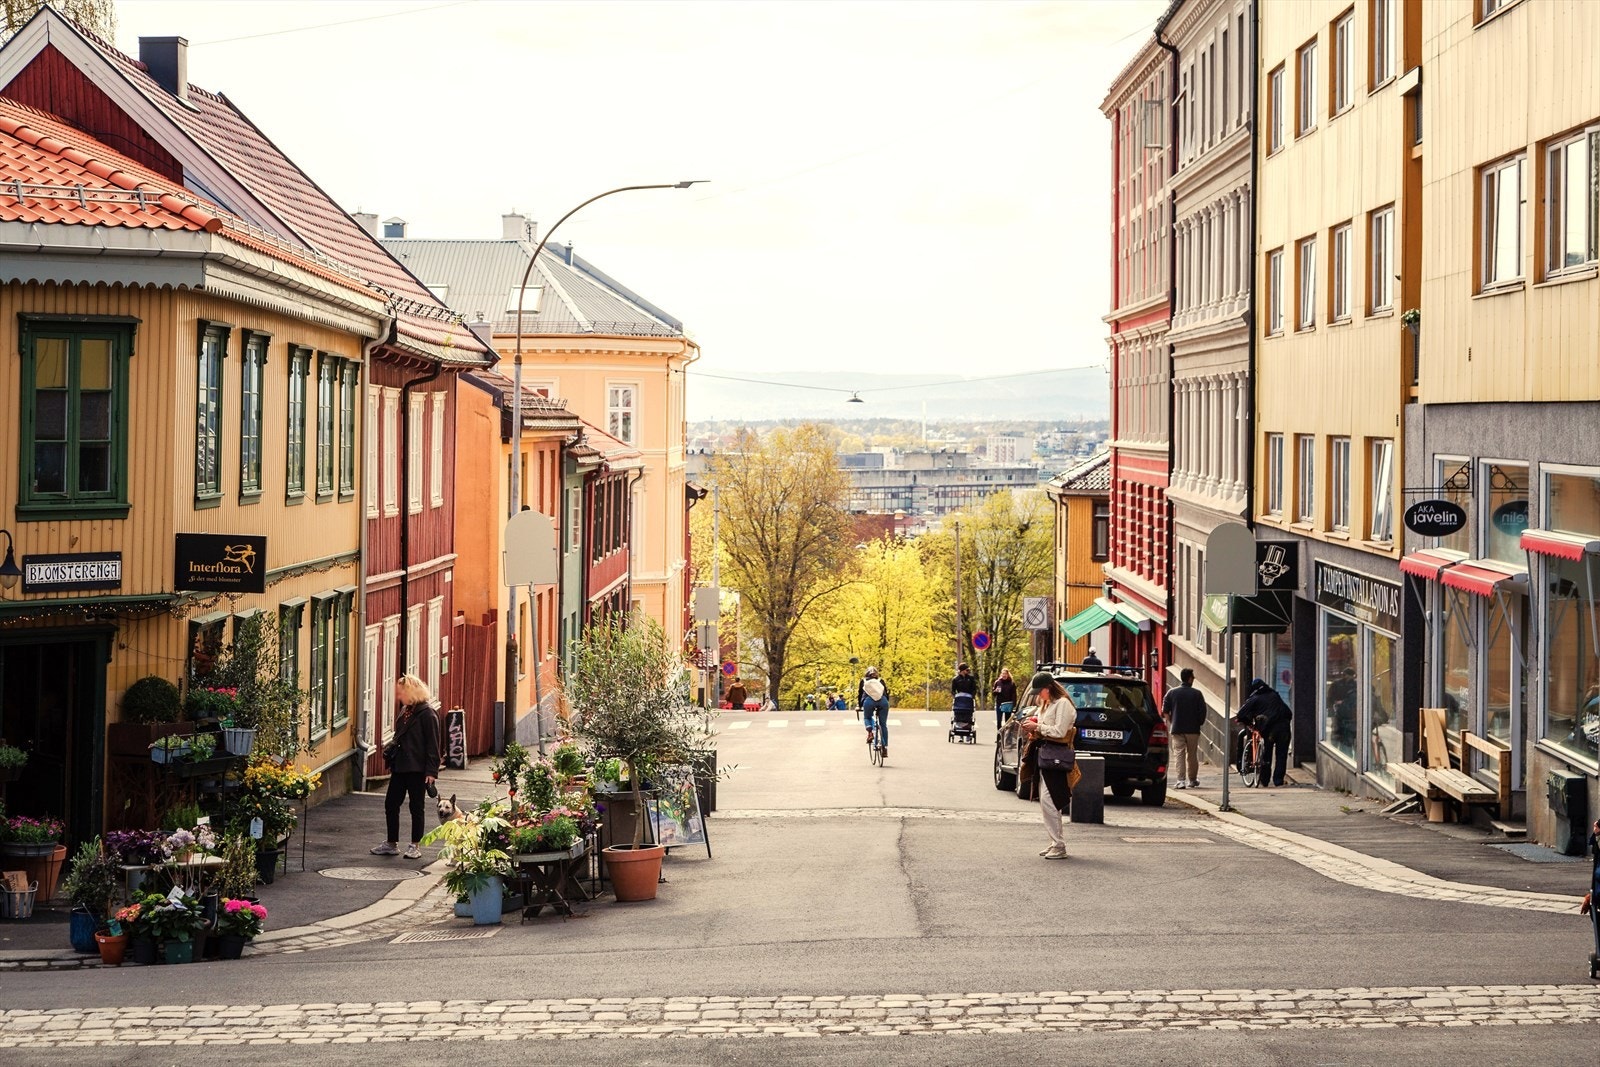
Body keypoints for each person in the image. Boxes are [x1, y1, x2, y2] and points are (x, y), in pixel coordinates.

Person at [372, 674, 441, 860]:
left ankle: (415, 845)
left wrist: (431, 771)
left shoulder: (428, 714)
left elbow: (433, 745)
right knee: (391, 803)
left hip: (417, 769)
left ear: (411, 692)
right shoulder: (405, 710)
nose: (398, 696)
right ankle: (391, 843)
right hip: (400, 766)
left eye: (401, 693)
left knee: (416, 807)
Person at [1018, 671, 1076, 860]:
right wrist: (1033, 725)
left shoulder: (1063, 704)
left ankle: (1059, 845)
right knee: (1047, 800)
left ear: (1049, 688)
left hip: (1056, 755)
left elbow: (1059, 731)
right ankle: (1055, 842)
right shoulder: (1046, 704)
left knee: (1049, 799)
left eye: (1039, 691)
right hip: (1046, 754)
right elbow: (1045, 727)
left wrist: (1038, 728)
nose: (1038, 695)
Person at [1237, 677, 1293, 787]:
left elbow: (1240, 714)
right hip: (1284, 727)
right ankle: (1278, 780)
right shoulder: (1275, 695)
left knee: (1266, 754)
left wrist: (1249, 723)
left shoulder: (1255, 698)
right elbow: (1288, 712)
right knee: (1282, 755)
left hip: (1270, 729)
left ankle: (1265, 780)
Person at [1162, 668, 1208, 789]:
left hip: (1177, 728)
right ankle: (1192, 779)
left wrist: (1172, 721)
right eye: (1193, 677)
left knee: (1179, 754)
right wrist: (1199, 722)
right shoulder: (1197, 694)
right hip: (1193, 729)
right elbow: (1202, 711)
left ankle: (1180, 780)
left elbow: (1165, 710)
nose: (1194, 679)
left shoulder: (1171, 693)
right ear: (1189, 678)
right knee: (1192, 755)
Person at [858, 666, 890, 756]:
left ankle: (870, 731)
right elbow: (886, 693)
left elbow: (860, 694)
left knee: (867, 717)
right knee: (883, 724)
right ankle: (884, 747)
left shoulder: (863, 681)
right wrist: (886, 703)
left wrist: (859, 706)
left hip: (868, 701)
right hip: (883, 701)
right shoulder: (881, 680)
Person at [991, 667, 1018, 732]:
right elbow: (994, 694)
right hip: (999, 703)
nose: (1004, 675)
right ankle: (999, 733)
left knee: (1007, 720)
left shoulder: (1011, 683)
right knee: (999, 720)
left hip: (1008, 703)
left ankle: (1006, 734)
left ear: (1008, 674)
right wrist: (996, 691)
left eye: (1005, 674)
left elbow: (1014, 694)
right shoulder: (998, 682)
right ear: (1001, 674)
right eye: (1003, 674)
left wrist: (1014, 703)